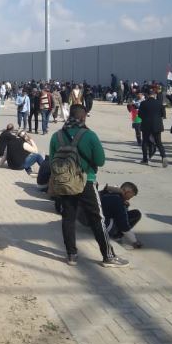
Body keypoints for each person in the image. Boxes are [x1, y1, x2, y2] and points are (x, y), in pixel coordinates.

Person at [50, 104, 128, 268]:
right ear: (83, 117)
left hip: (65, 183)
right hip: (87, 181)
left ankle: (71, 255)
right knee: (97, 218)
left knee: (68, 218)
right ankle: (108, 256)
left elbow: (52, 162)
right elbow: (100, 161)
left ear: (69, 116)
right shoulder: (90, 135)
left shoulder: (57, 136)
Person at [96, 183, 143, 248]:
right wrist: (134, 241)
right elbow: (124, 226)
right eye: (131, 196)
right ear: (127, 192)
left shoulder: (107, 192)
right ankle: (117, 236)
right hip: (103, 227)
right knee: (136, 214)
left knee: (121, 214)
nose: (129, 199)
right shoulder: (118, 200)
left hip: (94, 221)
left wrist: (124, 206)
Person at [138, 88, 167, 167]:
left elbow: (139, 115)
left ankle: (145, 159)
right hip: (157, 125)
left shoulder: (143, 103)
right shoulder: (159, 103)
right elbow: (163, 115)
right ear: (154, 95)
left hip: (146, 125)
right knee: (159, 142)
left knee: (145, 142)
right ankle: (163, 156)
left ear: (147, 95)